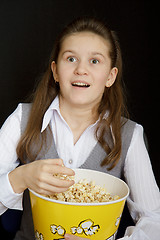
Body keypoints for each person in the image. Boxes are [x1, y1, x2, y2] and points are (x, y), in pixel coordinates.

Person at [0, 17, 159, 240]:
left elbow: (154, 219)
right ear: (55, 71)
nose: (81, 69)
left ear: (110, 77)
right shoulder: (21, 119)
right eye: (71, 58)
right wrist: (20, 178)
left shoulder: (130, 135)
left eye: (94, 61)